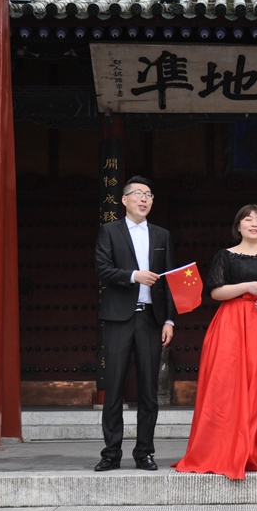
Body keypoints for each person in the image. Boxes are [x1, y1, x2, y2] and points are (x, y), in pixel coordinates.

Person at [174, 205, 257, 480]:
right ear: (238, 226)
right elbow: (216, 292)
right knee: (228, 383)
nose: (254, 223)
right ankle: (226, 447)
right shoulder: (225, 256)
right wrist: (246, 287)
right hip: (232, 323)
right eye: (248, 220)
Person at [94, 176, 175, 472]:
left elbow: (169, 280)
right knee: (114, 387)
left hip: (151, 319)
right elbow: (102, 269)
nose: (144, 199)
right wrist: (133, 276)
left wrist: (169, 319)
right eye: (138, 193)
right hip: (118, 318)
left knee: (149, 390)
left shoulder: (162, 235)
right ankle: (111, 453)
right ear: (124, 199)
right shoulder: (110, 231)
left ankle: (145, 452)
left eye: (149, 195)